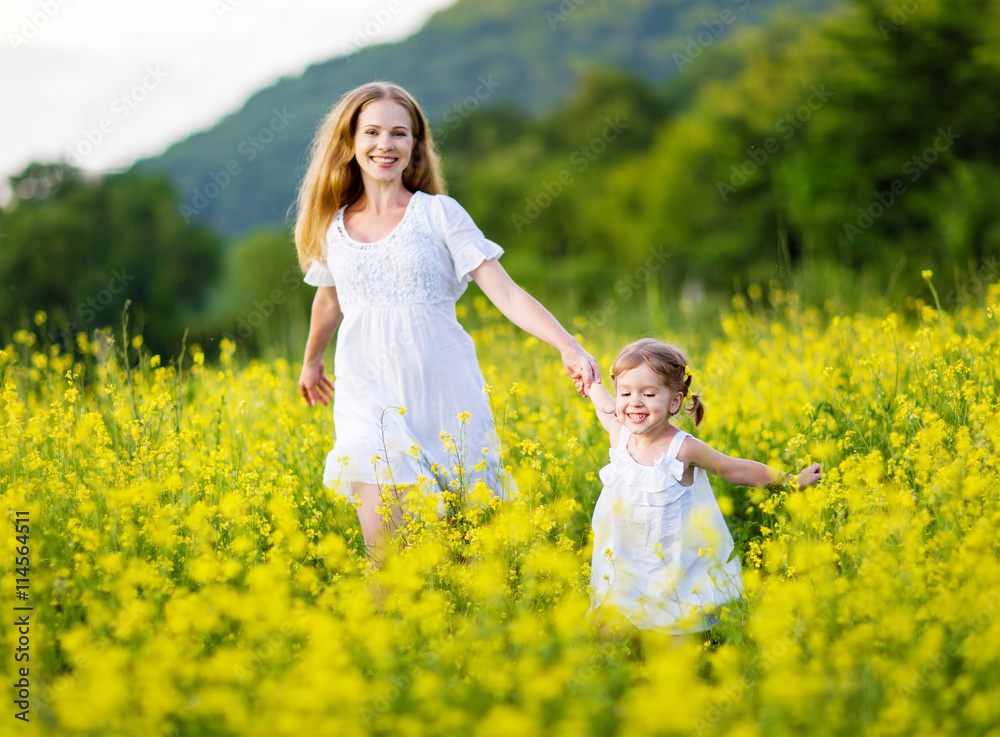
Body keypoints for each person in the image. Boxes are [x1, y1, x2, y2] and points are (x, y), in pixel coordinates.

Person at [294, 81, 600, 565]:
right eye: (371, 132)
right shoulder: (333, 225)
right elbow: (329, 300)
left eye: (399, 133)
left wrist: (568, 344)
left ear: (415, 144)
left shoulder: (438, 214)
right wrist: (311, 361)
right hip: (366, 398)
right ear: (350, 143)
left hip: (443, 398)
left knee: (458, 558)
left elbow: (505, 291)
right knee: (386, 558)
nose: (385, 144)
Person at [578, 338, 821, 637]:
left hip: (674, 564)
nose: (635, 401)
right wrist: (589, 382)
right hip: (625, 558)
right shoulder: (620, 435)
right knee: (611, 625)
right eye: (625, 392)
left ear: (675, 401)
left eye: (649, 393)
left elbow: (738, 469)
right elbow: (604, 407)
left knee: (672, 629)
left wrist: (791, 481)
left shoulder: (683, 449)